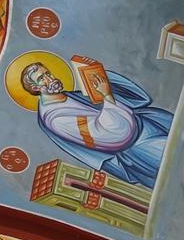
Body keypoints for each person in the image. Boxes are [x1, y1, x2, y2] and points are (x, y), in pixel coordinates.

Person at [19, 55, 172, 187]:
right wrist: (107, 95)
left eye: (47, 73)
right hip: (139, 147)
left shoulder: (69, 95)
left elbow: (132, 99)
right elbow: (105, 134)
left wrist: (96, 73)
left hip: (146, 125)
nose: (50, 79)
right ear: (35, 88)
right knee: (176, 162)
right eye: (41, 78)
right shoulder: (56, 119)